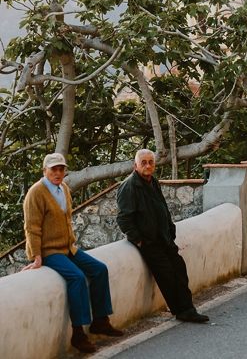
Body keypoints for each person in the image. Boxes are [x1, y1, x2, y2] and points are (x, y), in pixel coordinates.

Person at [22, 152, 124, 353]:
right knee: (76, 278)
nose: (58, 173)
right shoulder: (36, 192)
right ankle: (78, 333)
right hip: (50, 251)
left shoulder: (64, 189)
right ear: (45, 170)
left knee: (100, 269)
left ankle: (101, 321)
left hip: (69, 247)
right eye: (54, 169)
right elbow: (31, 227)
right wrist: (36, 257)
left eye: (61, 169)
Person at [115, 149, 209, 324]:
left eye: (150, 162)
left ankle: (187, 308)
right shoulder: (129, 187)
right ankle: (180, 310)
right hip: (149, 241)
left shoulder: (153, 182)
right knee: (166, 274)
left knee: (179, 268)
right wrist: (139, 239)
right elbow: (123, 218)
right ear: (135, 165)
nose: (148, 165)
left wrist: (170, 229)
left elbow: (162, 208)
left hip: (164, 237)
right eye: (143, 162)